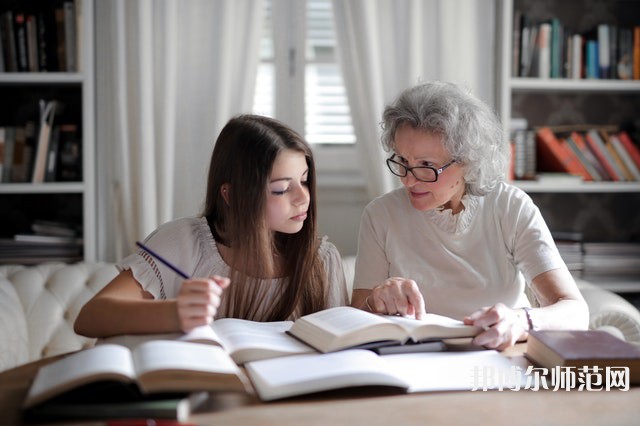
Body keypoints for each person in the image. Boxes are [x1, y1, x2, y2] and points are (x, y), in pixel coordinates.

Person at [351, 81, 589, 350]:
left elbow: (575, 311)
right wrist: (377, 301)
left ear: (467, 161)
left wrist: (521, 321)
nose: (408, 180)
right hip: (416, 359)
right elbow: (356, 315)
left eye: (426, 166)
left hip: (502, 355)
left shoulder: (509, 207)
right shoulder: (381, 215)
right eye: (403, 161)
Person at [75, 114, 348, 337]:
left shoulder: (322, 261)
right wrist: (174, 312)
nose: (303, 198)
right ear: (231, 195)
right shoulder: (184, 243)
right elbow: (90, 317)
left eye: (304, 180)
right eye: (281, 189)